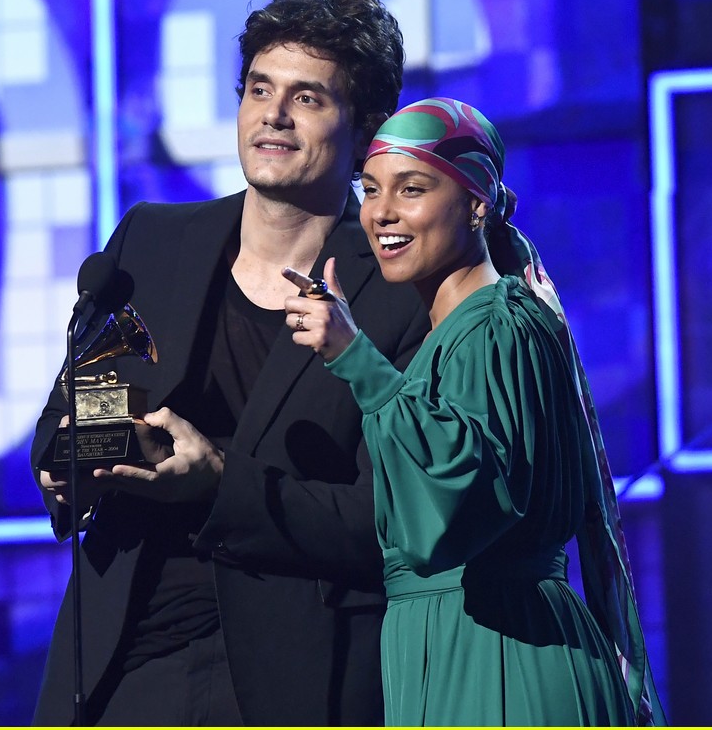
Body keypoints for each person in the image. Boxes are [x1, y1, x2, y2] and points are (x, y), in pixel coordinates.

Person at [29, 0, 430, 726]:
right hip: (121, 658)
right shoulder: (153, 242)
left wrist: (220, 485)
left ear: (366, 125)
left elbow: (394, 523)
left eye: (307, 97)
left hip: (286, 672)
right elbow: (71, 413)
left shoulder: (399, 292)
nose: (273, 115)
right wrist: (72, 465)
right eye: (258, 89)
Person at [284, 97, 666, 726]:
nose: (382, 213)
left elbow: (454, 500)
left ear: (477, 202)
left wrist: (355, 355)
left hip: (503, 653)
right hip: (461, 644)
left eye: (412, 189)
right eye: (371, 189)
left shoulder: (495, 327)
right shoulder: (467, 328)